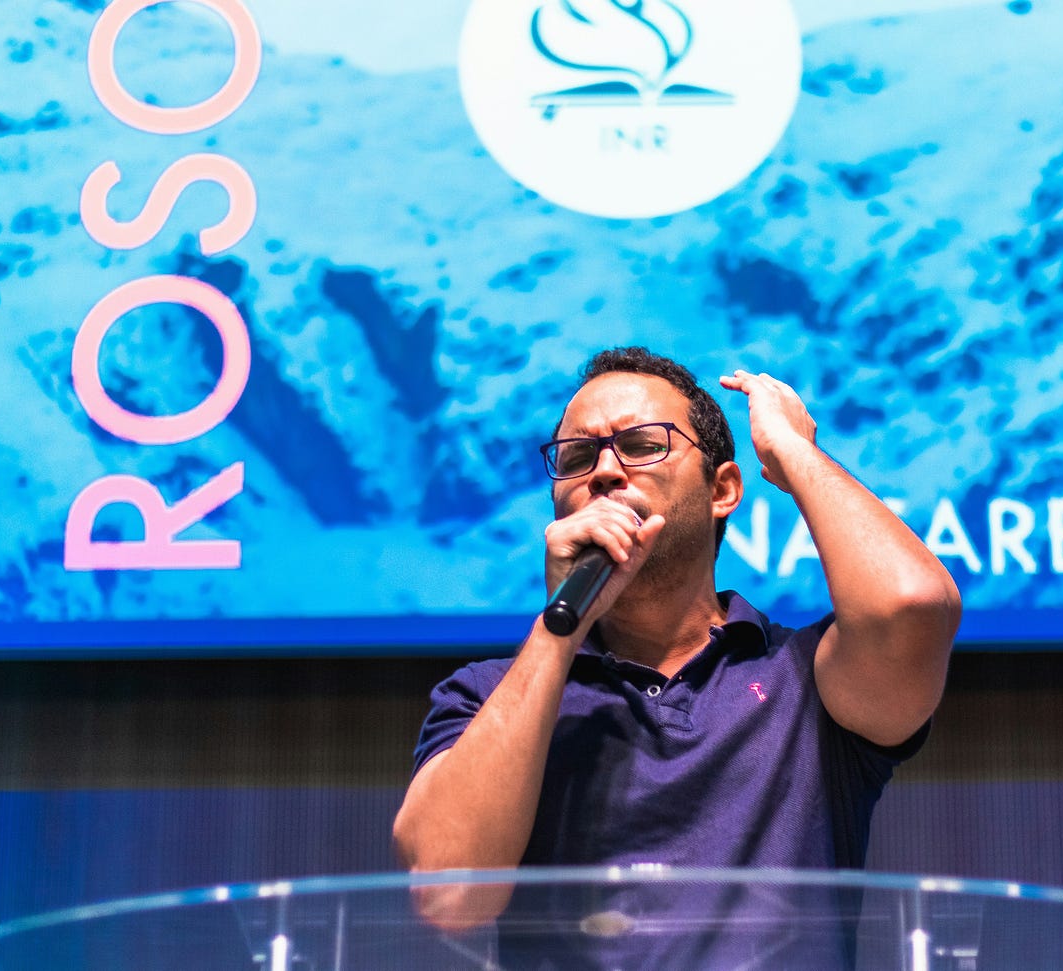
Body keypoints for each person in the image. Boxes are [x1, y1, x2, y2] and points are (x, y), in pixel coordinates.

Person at [392, 347, 959, 920]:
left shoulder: (806, 676)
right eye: (577, 456)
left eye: (641, 446)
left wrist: (793, 450)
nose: (606, 472)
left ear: (722, 491)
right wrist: (559, 632)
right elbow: (449, 893)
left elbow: (911, 605)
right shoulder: (488, 695)